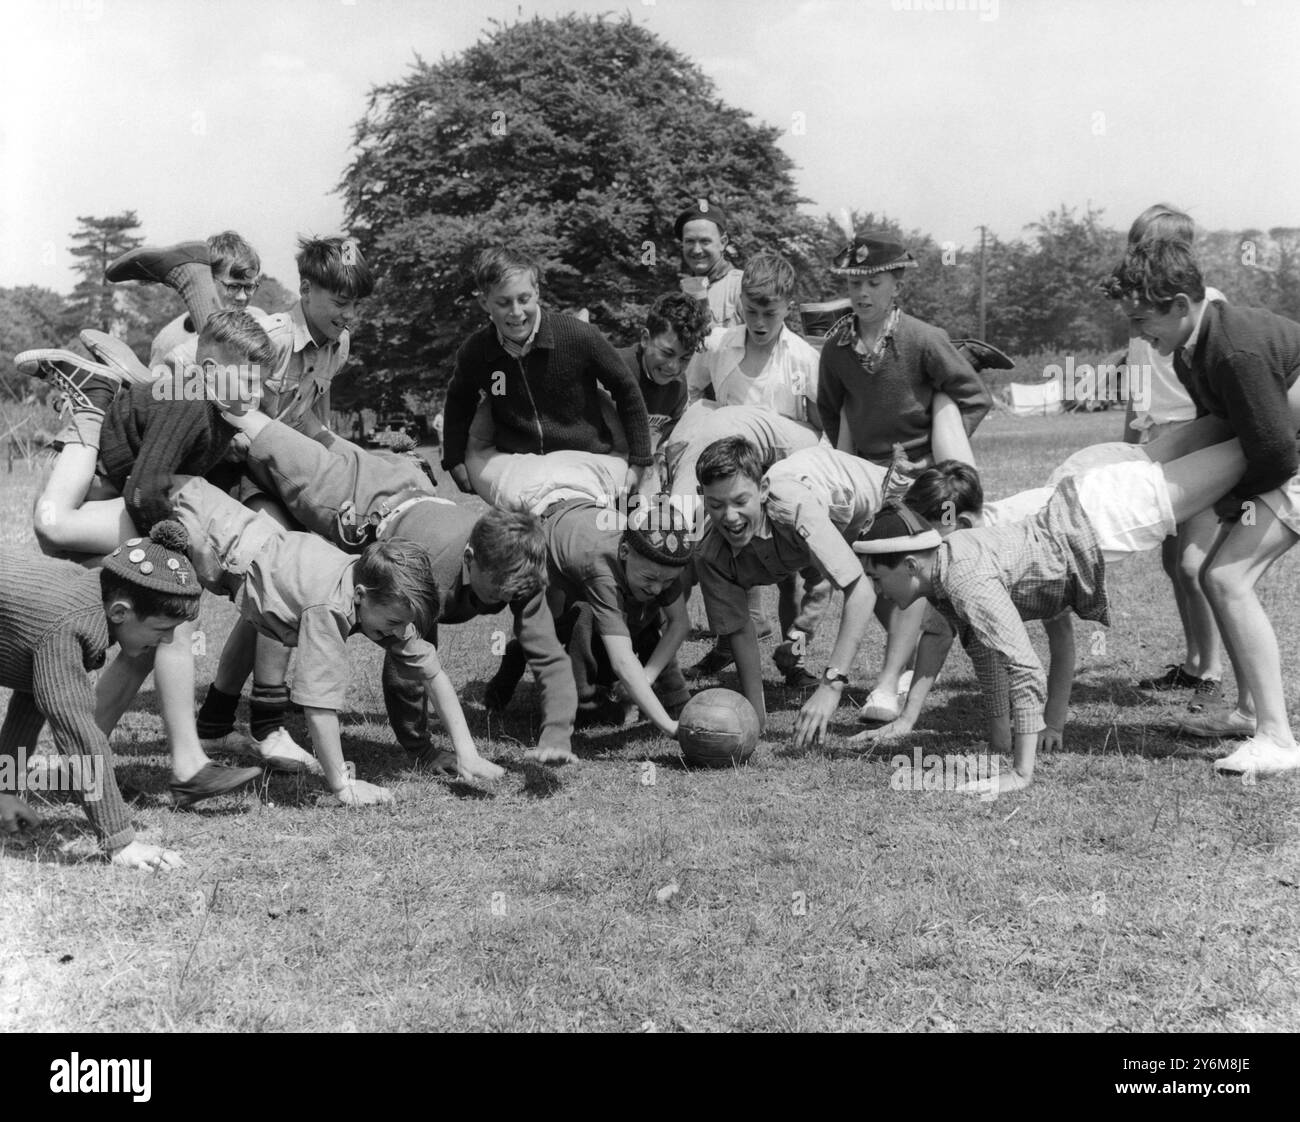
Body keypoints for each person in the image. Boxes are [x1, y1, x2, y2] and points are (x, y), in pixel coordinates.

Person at [853, 435, 1260, 792]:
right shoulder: (946, 570)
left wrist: (1023, 769)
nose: (875, 591)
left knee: (1252, 446)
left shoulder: (965, 572)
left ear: (912, 562)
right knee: (1239, 436)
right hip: (1087, 499)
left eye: (876, 577)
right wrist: (998, 738)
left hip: (1104, 513)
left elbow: (1025, 666)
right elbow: (982, 650)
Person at [203, 406, 572, 767]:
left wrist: (556, 733)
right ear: (471, 558)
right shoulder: (433, 573)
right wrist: (422, 750)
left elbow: (547, 651)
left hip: (405, 482)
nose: (508, 598)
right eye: (499, 590)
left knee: (302, 425)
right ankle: (201, 390)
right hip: (353, 498)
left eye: (514, 591)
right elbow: (407, 670)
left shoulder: (519, 567)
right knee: (261, 432)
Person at [168, 475, 506, 800]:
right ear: (360, 595)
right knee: (149, 640)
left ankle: (211, 729)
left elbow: (432, 672)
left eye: (404, 624)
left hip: (223, 526)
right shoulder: (330, 607)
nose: (397, 633)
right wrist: (343, 785)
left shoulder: (381, 595)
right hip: (187, 514)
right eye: (393, 622)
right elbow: (318, 704)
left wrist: (467, 754)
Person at [1104, 239, 1300, 777]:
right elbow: (1219, 424)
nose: (1141, 333)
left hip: (1292, 455)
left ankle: (1278, 738)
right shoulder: (1191, 349)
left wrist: (1235, 503)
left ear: (1182, 304)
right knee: (1218, 576)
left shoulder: (1232, 347)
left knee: (1227, 578)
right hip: (1286, 448)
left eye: (1146, 319)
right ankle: (1250, 713)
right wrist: (1141, 461)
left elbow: (1276, 450)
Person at [0, 521, 259, 869]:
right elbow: (78, 735)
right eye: (162, 629)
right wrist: (120, 839)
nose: (167, 642)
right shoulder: (69, 625)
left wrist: (4, 790)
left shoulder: (95, 596)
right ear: (121, 611)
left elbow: (30, 697)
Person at [815, 230, 993, 724]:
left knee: (906, 566)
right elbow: (830, 409)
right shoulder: (836, 348)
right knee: (873, 576)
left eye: (874, 281)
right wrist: (856, 467)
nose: (862, 293)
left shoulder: (924, 339)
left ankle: (888, 683)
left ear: (897, 282)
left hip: (920, 481)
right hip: (867, 477)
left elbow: (974, 397)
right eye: (854, 283)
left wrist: (939, 464)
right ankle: (904, 661)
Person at [693, 437, 902, 748]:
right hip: (824, 518)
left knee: (897, 585)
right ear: (702, 497)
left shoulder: (793, 509)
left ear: (762, 490)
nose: (730, 516)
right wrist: (756, 718)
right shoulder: (710, 555)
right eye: (716, 505)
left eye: (740, 501)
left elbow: (858, 590)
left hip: (876, 497)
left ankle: (900, 677)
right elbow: (740, 630)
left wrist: (831, 686)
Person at [682, 251, 829, 686]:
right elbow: (691, 394)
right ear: (740, 302)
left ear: (789, 306)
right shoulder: (719, 346)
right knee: (722, 559)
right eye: (751, 310)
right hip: (734, 483)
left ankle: (794, 656)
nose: (760, 321)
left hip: (787, 478)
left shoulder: (803, 359)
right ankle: (729, 642)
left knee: (803, 581)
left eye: (770, 312)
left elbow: (824, 430)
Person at [483, 500, 694, 762]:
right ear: (626, 552)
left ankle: (667, 698)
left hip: (584, 522)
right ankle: (584, 701)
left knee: (641, 622)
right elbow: (622, 661)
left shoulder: (661, 561)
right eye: (651, 580)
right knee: (565, 625)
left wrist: (647, 677)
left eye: (669, 581)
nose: (658, 589)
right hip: (553, 549)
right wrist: (669, 726)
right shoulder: (602, 568)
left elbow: (678, 624)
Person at [440, 247, 654, 506]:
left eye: (524, 298)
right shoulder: (476, 352)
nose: (516, 312)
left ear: (537, 292)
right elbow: (458, 402)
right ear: (485, 302)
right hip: (519, 462)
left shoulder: (578, 336)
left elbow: (626, 389)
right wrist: (453, 459)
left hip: (586, 455)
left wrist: (639, 460)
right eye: (503, 302)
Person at [1117, 205, 1227, 703]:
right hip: (1159, 442)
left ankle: (1214, 673)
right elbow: (1139, 391)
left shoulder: (1208, 309)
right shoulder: (1146, 315)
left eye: (1145, 248)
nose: (1135, 258)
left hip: (1200, 438)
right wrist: (1128, 447)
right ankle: (1194, 662)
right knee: (1171, 562)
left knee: (1194, 565)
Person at [149, 230, 264, 368]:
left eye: (249, 287)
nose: (242, 297)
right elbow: (159, 387)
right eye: (233, 286)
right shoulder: (170, 339)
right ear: (208, 280)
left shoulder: (262, 322)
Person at [674, 199, 744, 334]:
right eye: (689, 241)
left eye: (705, 241)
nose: (696, 250)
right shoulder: (684, 293)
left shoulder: (741, 286)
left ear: (723, 243)